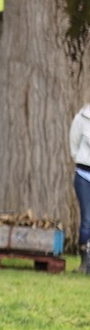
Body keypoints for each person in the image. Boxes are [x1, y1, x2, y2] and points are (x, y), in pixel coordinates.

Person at [70, 102, 90, 274]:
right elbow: (73, 146)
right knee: (86, 219)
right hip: (84, 174)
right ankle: (84, 260)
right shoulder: (82, 117)